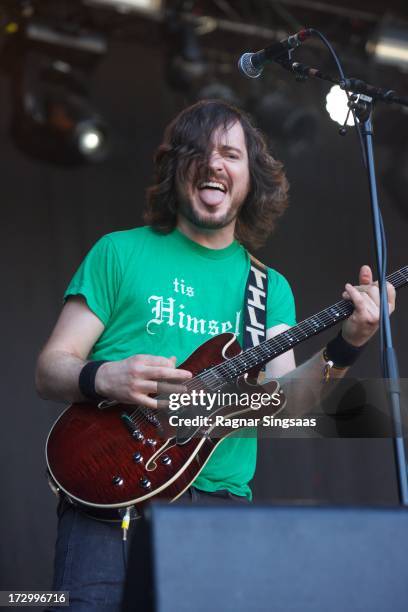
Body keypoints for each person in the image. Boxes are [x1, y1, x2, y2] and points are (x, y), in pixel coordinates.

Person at [35, 99, 395, 611]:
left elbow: (289, 407)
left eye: (231, 153)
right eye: (198, 152)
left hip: (215, 510)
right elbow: (51, 368)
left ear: (251, 179)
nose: (214, 164)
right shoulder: (118, 252)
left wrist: (350, 341)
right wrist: (104, 377)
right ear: (176, 168)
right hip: (108, 499)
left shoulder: (269, 288)